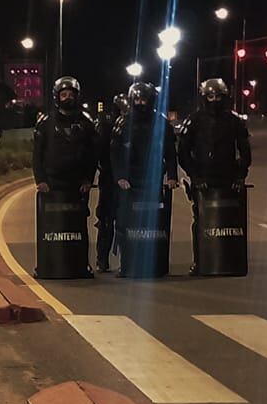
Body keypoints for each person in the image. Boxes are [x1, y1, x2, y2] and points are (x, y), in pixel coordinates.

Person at [178, 77, 252, 274]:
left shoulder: (235, 121)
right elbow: (183, 151)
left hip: (227, 177)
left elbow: (245, 150)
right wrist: (194, 176)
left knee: (230, 222)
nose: (214, 100)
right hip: (203, 178)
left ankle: (230, 261)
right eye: (210, 96)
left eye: (218, 96)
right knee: (201, 220)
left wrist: (240, 175)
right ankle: (201, 260)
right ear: (204, 97)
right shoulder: (194, 120)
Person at [110, 79, 177, 270]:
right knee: (124, 223)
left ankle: (156, 263)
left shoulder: (162, 123)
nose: (141, 104)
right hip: (129, 182)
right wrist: (120, 177)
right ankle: (127, 263)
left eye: (144, 100)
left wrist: (172, 176)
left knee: (155, 225)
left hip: (154, 181)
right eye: (137, 100)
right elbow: (114, 153)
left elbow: (171, 152)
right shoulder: (122, 123)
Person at [33, 75, 100, 195]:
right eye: (64, 95)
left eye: (71, 95)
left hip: (79, 183)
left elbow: (93, 154)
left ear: (77, 96)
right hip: (52, 183)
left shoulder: (86, 122)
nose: (68, 98)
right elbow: (38, 153)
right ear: (57, 97)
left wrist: (88, 179)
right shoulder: (46, 122)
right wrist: (40, 180)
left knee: (80, 214)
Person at [92, 92, 125, 272]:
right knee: (105, 221)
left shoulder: (133, 125)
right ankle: (102, 259)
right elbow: (97, 152)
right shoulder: (106, 127)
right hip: (109, 179)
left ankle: (126, 261)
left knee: (126, 222)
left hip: (128, 180)